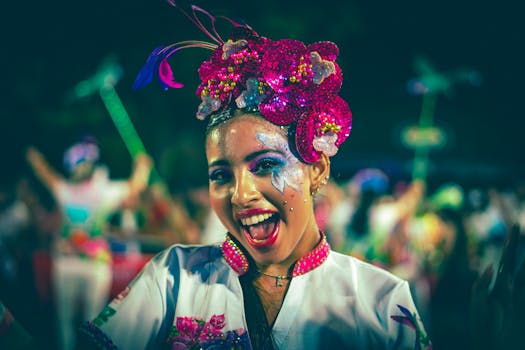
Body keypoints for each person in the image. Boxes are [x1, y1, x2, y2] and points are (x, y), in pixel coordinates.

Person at [77, 3, 430, 349]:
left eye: (265, 165)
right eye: (221, 175)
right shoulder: (173, 279)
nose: (240, 194)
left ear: (317, 170)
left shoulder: (380, 302)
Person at [25, 136, 152, 350]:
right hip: (95, 265)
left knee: (65, 322)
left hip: (68, 263)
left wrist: (34, 157)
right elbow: (136, 186)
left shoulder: (66, 190)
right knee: (93, 322)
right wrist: (143, 166)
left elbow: (45, 174)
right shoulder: (105, 192)